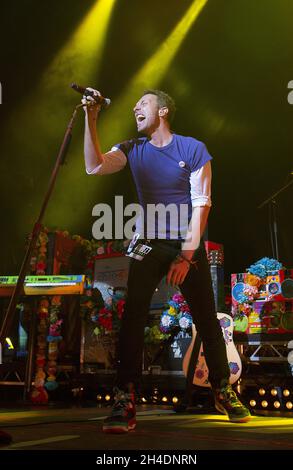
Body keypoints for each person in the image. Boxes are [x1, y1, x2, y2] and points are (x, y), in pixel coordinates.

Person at [82, 88, 251, 433]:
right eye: (135, 104)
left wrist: (187, 258)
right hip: (148, 242)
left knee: (207, 319)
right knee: (133, 315)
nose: (135, 108)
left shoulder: (193, 149)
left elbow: (201, 204)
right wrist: (91, 116)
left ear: (162, 111)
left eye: (143, 103)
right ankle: (124, 396)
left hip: (185, 244)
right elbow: (93, 165)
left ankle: (222, 388)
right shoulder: (132, 148)